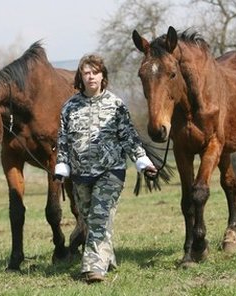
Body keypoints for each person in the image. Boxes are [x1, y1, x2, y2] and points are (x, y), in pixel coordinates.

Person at [54, 54, 158, 283]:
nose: (91, 76)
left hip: (110, 172)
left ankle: (92, 269)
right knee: (90, 220)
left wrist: (142, 162)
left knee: (99, 218)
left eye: (95, 72)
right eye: (86, 73)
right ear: (81, 77)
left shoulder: (116, 105)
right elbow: (62, 141)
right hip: (81, 175)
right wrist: (61, 168)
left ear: (103, 76)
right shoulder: (69, 107)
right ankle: (106, 258)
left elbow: (129, 137)